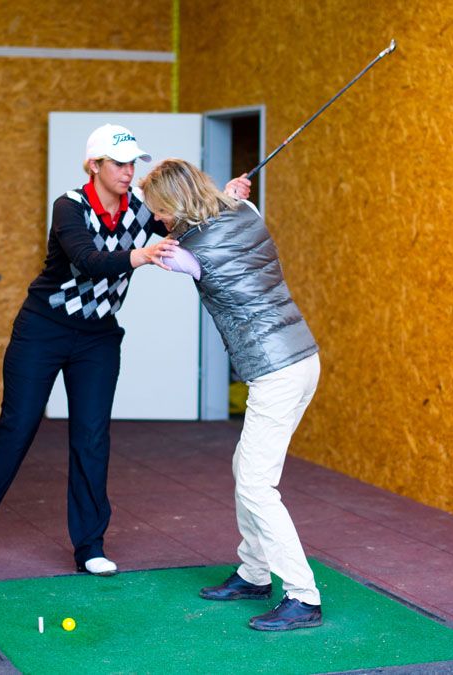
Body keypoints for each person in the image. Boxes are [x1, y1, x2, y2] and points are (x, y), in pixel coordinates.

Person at [0, 126, 250, 577]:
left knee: (91, 437)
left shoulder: (140, 208)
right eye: (119, 163)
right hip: (43, 329)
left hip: (97, 338)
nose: (128, 172)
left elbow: (187, 223)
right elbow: (87, 260)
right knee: (16, 430)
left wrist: (227, 199)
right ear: (94, 165)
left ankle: (89, 547)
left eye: (132, 164)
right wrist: (140, 256)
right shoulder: (69, 206)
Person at [139, 158, 322, 631]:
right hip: (302, 358)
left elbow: (162, 252)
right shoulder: (246, 211)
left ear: (176, 204)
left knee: (257, 485)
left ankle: (303, 596)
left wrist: (145, 250)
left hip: (275, 370)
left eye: (159, 209)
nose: (157, 217)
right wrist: (229, 195)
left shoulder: (183, 252)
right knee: (247, 468)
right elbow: (226, 212)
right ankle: (254, 574)